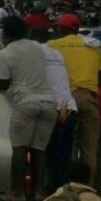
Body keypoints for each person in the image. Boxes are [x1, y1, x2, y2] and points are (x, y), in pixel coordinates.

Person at [0, 16, 56, 200]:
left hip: (26, 102)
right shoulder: (37, 46)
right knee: (40, 150)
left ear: (6, 33)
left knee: (20, 149)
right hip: (49, 103)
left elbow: (3, 84)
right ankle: (39, 192)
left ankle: (17, 191)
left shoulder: (5, 54)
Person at [46, 13, 101, 183]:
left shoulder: (52, 45)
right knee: (89, 148)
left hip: (66, 103)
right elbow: (100, 76)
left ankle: (60, 184)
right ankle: (88, 188)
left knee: (60, 143)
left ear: (61, 28)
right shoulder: (94, 47)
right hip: (88, 98)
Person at [31, 25, 79, 192]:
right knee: (63, 156)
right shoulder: (56, 53)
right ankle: (63, 191)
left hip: (57, 110)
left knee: (50, 155)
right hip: (70, 109)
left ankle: (53, 195)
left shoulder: (35, 51)